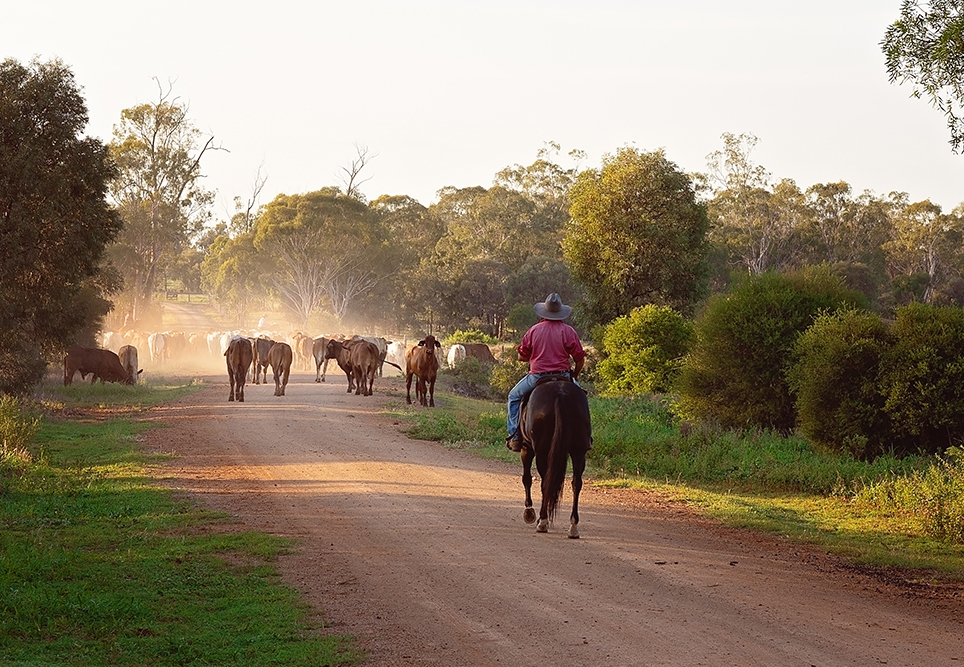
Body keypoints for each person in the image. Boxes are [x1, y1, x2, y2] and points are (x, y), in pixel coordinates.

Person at [505, 293, 586, 452]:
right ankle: (584, 436)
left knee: (513, 397)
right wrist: (574, 376)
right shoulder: (568, 331)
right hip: (563, 375)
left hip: (537, 377)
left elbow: (522, 356)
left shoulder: (533, 331)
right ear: (560, 312)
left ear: (544, 312)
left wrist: (530, 355)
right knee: (581, 398)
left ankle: (515, 435)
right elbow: (579, 359)